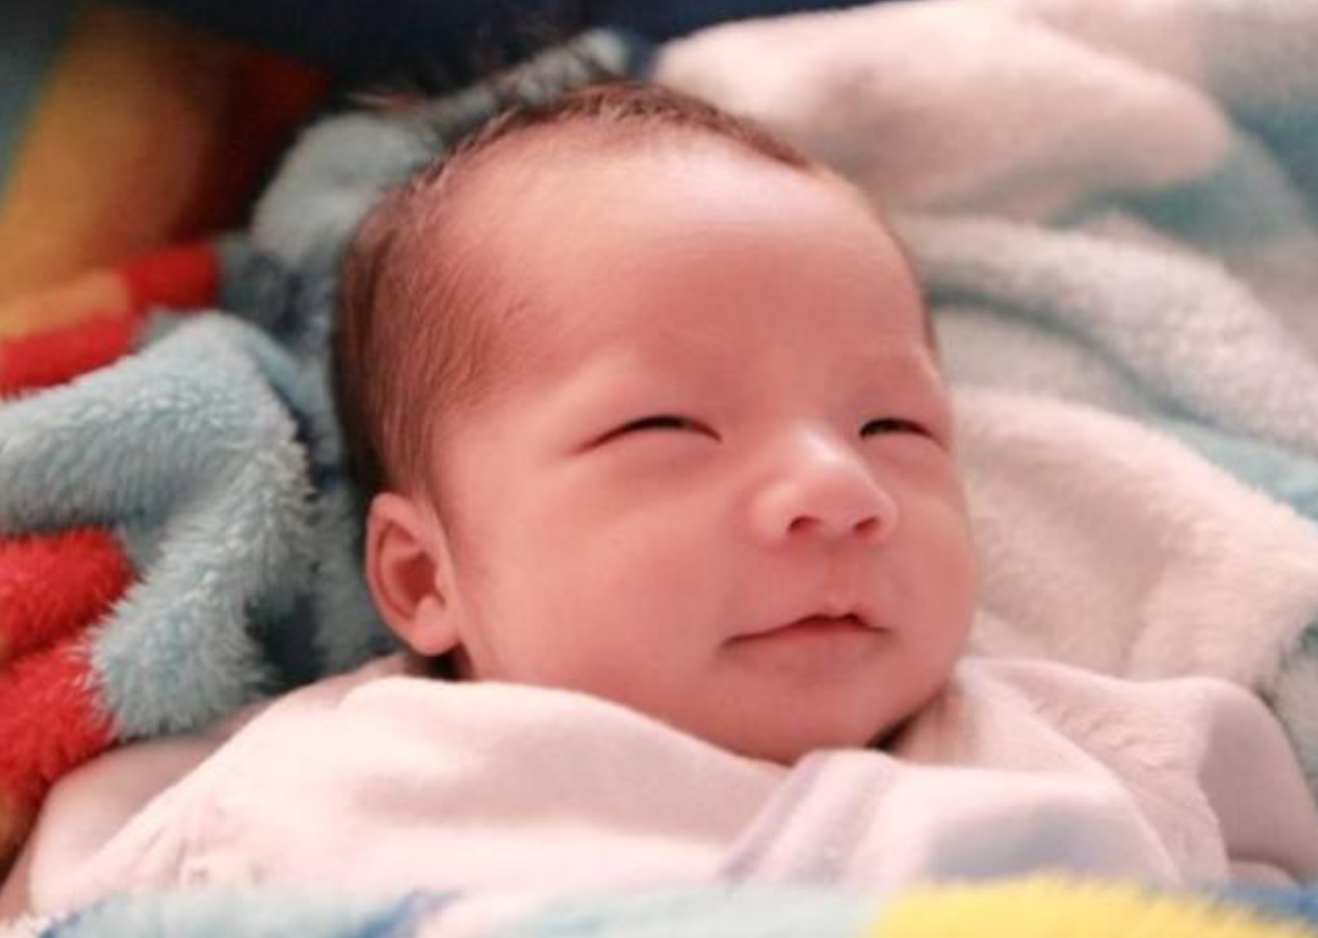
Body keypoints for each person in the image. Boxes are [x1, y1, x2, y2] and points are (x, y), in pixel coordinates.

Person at [5, 82, 1318, 915]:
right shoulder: (313, 787)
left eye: (893, 425)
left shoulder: (1119, 754)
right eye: (665, 427)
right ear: (419, 576)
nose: (839, 486)